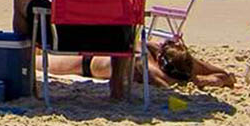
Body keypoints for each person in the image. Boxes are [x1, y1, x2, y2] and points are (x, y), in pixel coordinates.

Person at [37, 37, 235, 89]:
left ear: (161, 57)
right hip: (93, 56)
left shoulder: (144, 59)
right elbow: (226, 76)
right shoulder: (185, 64)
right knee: (38, 57)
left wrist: (200, 80)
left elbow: (163, 84)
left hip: (84, 63)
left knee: (37, 62)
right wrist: (203, 79)